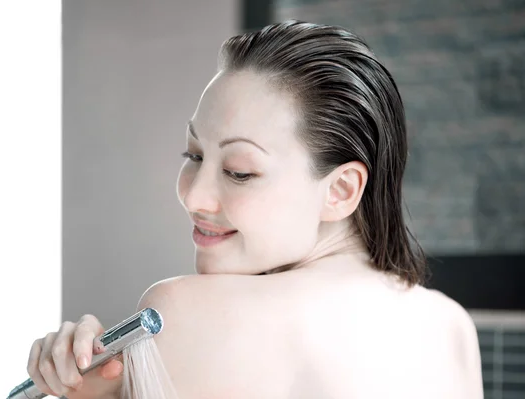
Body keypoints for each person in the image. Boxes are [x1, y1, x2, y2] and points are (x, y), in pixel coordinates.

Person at [26, 20, 484, 398]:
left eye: (240, 171)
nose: (194, 197)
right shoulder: (450, 327)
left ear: (341, 189)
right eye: (194, 155)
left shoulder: (179, 312)